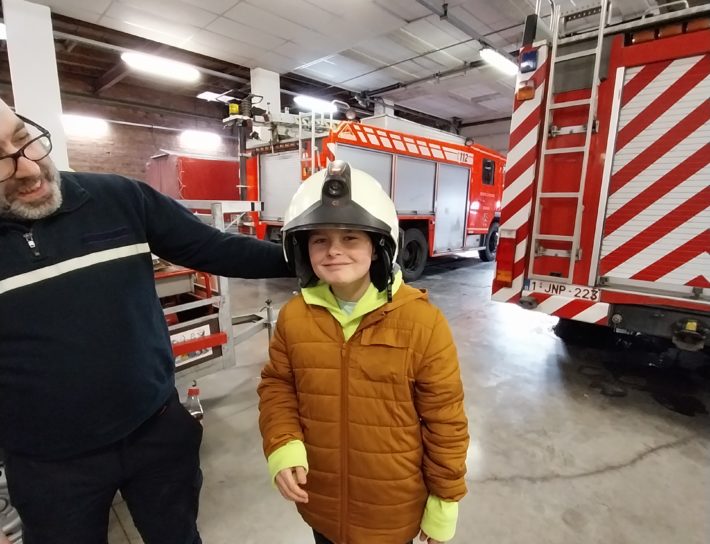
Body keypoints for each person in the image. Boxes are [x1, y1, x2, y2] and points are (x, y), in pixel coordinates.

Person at [0, 97, 292, 544]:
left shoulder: (118, 198)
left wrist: (311, 259)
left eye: (25, 140)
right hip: (48, 465)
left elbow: (212, 248)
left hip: (157, 430)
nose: (28, 167)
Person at [258, 161, 470, 544]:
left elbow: (445, 421)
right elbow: (278, 387)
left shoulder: (423, 324)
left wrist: (444, 500)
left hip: (391, 513)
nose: (334, 251)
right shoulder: (294, 317)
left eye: (351, 237)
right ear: (303, 249)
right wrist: (283, 444)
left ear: (378, 247)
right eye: (319, 240)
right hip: (321, 505)